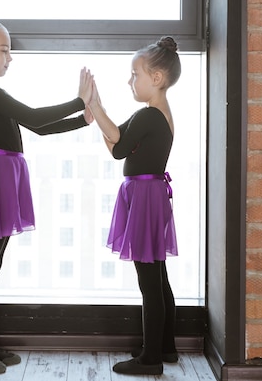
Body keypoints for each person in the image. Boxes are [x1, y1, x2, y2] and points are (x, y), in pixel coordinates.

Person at [0, 5, 94, 374]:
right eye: (4, 50)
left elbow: (38, 129)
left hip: (7, 173)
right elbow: (33, 116)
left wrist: (82, 119)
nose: (9, 57)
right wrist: (79, 100)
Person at [85, 36, 182, 376]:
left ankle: (150, 357)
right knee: (158, 276)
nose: (131, 81)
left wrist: (95, 106)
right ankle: (165, 348)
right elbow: (116, 145)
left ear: (156, 78)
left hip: (145, 198)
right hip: (148, 195)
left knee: (149, 280)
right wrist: (97, 112)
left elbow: (119, 145)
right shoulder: (153, 115)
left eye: (134, 74)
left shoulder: (150, 116)